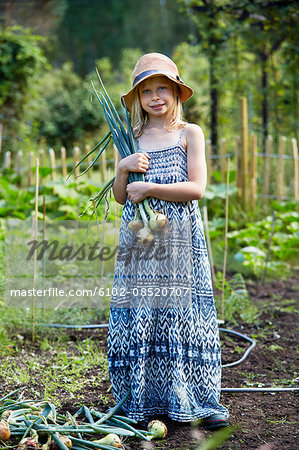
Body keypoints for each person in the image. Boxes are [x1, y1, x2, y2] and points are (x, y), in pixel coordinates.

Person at [107, 52, 229, 430]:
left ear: (176, 91)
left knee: (181, 315)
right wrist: (123, 169)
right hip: (141, 238)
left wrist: (152, 186)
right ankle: (143, 400)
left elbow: (196, 189)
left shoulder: (189, 133)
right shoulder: (132, 139)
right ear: (138, 98)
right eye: (146, 91)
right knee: (145, 312)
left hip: (180, 236)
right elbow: (120, 196)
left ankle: (193, 399)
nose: (155, 96)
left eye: (163, 88)